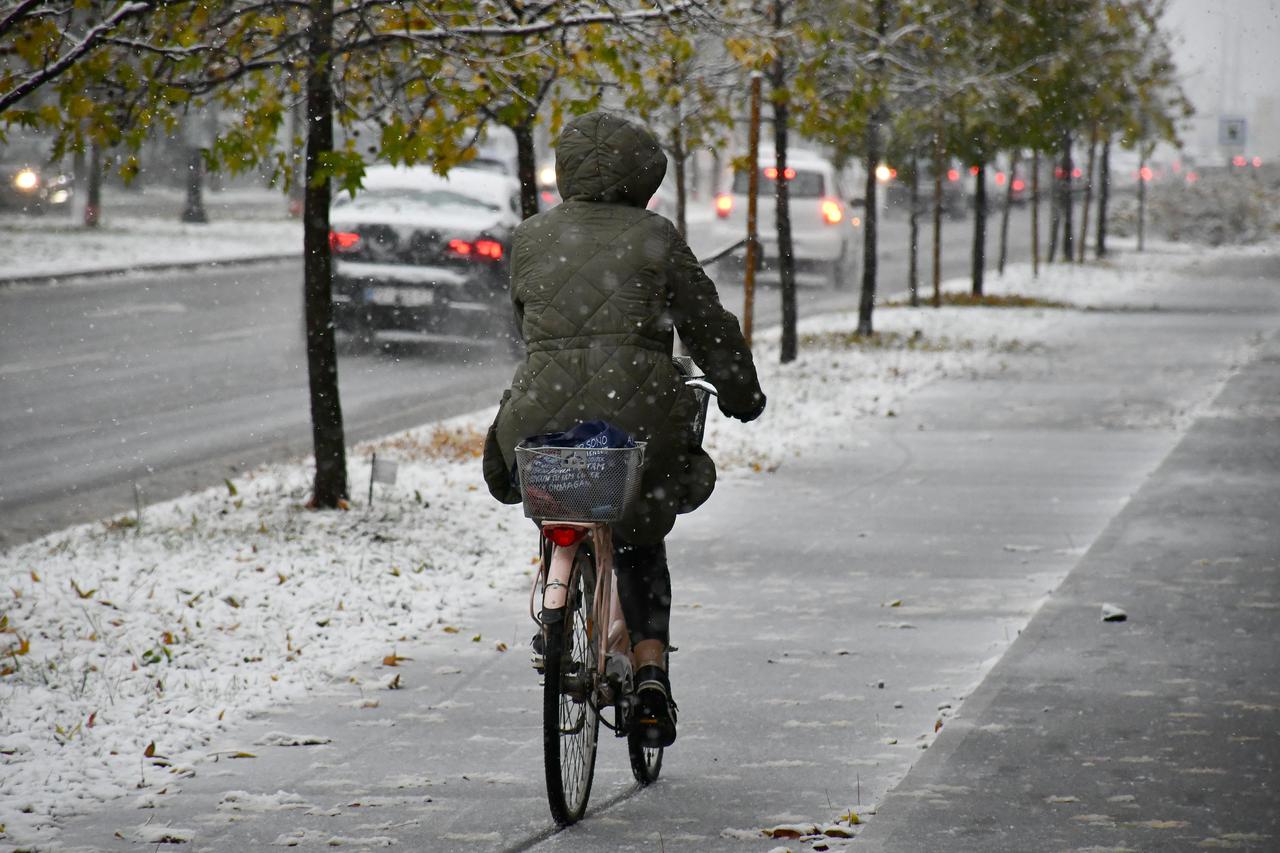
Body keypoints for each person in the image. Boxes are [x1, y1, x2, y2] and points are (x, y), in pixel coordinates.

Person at [483, 110, 765, 747]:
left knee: (561, 485)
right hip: (637, 415)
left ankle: (560, 611)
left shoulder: (529, 237)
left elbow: (528, 317)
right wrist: (741, 392)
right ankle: (649, 673)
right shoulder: (656, 237)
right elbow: (707, 326)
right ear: (645, 175)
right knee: (638, 532)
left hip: (543, 409)